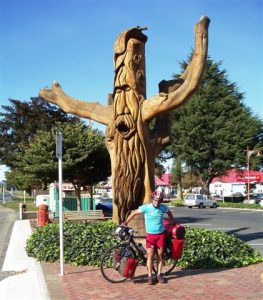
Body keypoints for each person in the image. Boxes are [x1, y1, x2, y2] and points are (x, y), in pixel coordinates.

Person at [123, 190, 175, 285]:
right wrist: (125, 223)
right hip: (150, 236)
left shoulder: (163, 208)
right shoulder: (146, 208)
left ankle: (159, 275)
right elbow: (134, 213)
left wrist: (172, 221)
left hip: (160, 235)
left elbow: (169, 213)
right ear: (152, 199)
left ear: (161, 200)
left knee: (160, 255)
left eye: (159, 200)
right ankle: (150, 276)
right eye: (155, 200)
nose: (157, 202)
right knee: (150, 256)